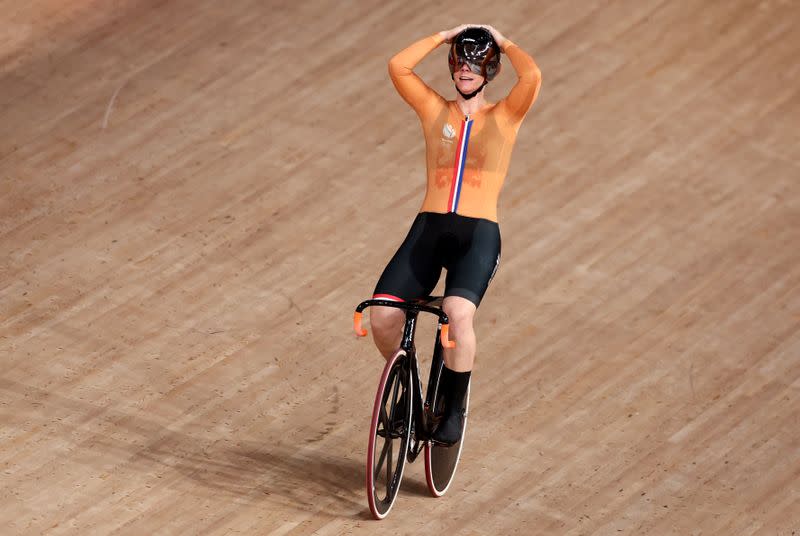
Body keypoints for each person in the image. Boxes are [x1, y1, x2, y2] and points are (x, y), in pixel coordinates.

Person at [369, 24, 542, 446]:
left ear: (490, 70)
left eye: (476, 63)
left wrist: (502, 42)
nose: (466, 70)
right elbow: (398, 66)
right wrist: (442, 35)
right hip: (429, 229)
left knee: (457, 316)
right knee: (382, 315)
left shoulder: (505, 115)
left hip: (477, 236)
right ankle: (406, 393)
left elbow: (532, 76)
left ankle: (454, 406)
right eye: (460, 62)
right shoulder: (435, 111)